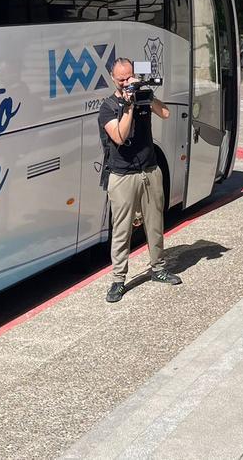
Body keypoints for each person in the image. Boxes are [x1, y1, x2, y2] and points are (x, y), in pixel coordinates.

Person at [98, 58, 181, 303]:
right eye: (121, 79)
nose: (126, 83)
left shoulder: (142, 97)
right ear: (113, 78)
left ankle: (158, 268)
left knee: (155, 223)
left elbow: (165, 113)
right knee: (122, 231)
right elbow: (120, 136)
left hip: (150, 170)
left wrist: (146, 94)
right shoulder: (108, 107)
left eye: (129, 78)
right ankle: (118, 280)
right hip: (122, 175)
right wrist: (128, 104)